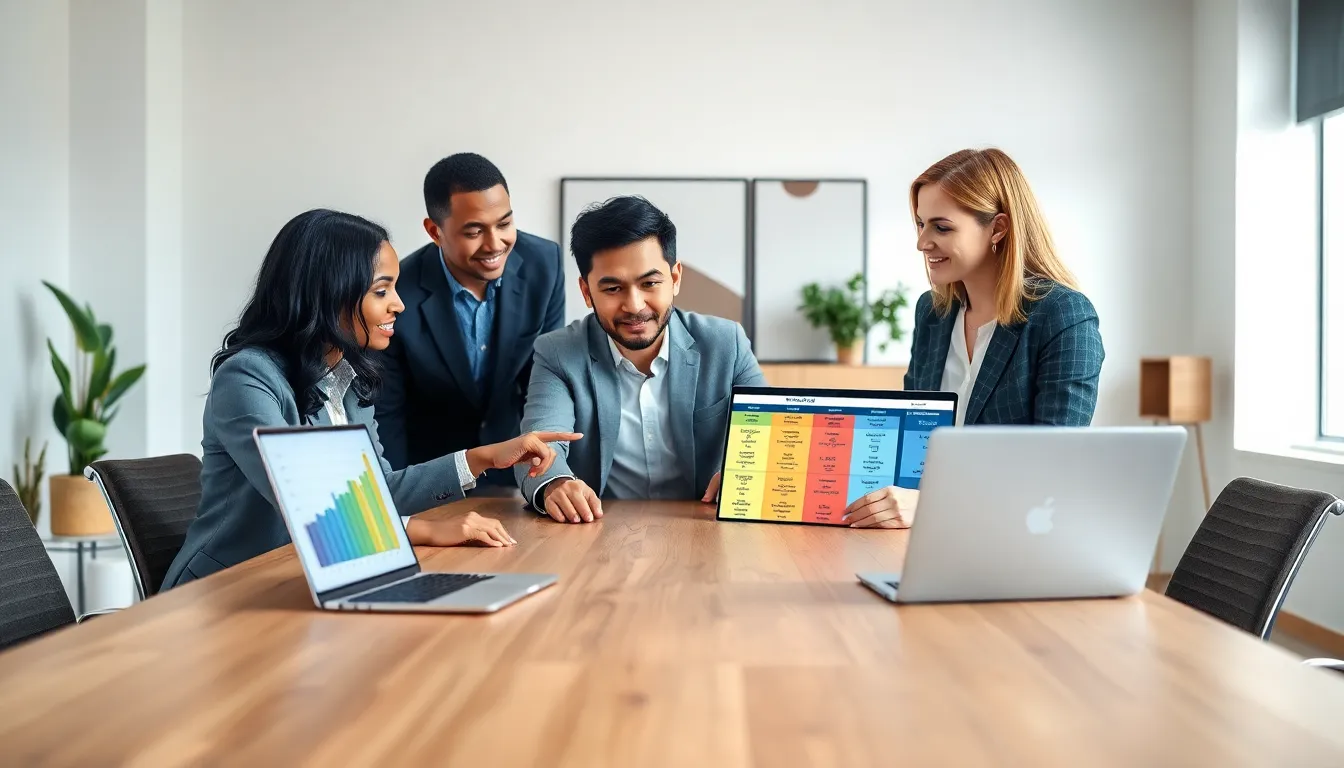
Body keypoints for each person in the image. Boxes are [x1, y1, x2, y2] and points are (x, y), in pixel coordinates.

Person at [163, 210, 580, 589]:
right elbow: (308, 506)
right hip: (227, 588)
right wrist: (427, 530)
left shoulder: (348, 379)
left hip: (306, 582)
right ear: (329, 294)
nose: (399, 304)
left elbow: (378, 494)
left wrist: (484, 457)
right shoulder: (249, 377)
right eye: (382, 291)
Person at [843, 147, 1105, 530]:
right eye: (920, 224)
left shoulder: (1063, 316)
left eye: (941, 227)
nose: (922, 242)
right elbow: (912, 443)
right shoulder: (932, 314)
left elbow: (1051, 468)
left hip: (1019, 538)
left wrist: (933, 505)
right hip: (924, 536)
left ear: (997, 228)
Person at [514, 195, 766, 523]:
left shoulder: (725, 343)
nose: (634, 305)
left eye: (650, 283)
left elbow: (766, 435)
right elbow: (537, 445)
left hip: (706, 530)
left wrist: (742, 471)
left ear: (675, 278)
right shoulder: (557, 353)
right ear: (586, 292)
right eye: (613, 289)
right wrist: (556, 484)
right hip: (599, 536)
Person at [374, 153, 566, 487]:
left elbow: (544, 381)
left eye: (505, 224)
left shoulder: (544, 265)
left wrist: (546, 481)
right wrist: (398, 502)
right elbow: (388, 411)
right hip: (429, 475)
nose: (495, 244)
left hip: (518, 469)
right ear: (435, 231)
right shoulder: (397, 291)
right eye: (474, 231)